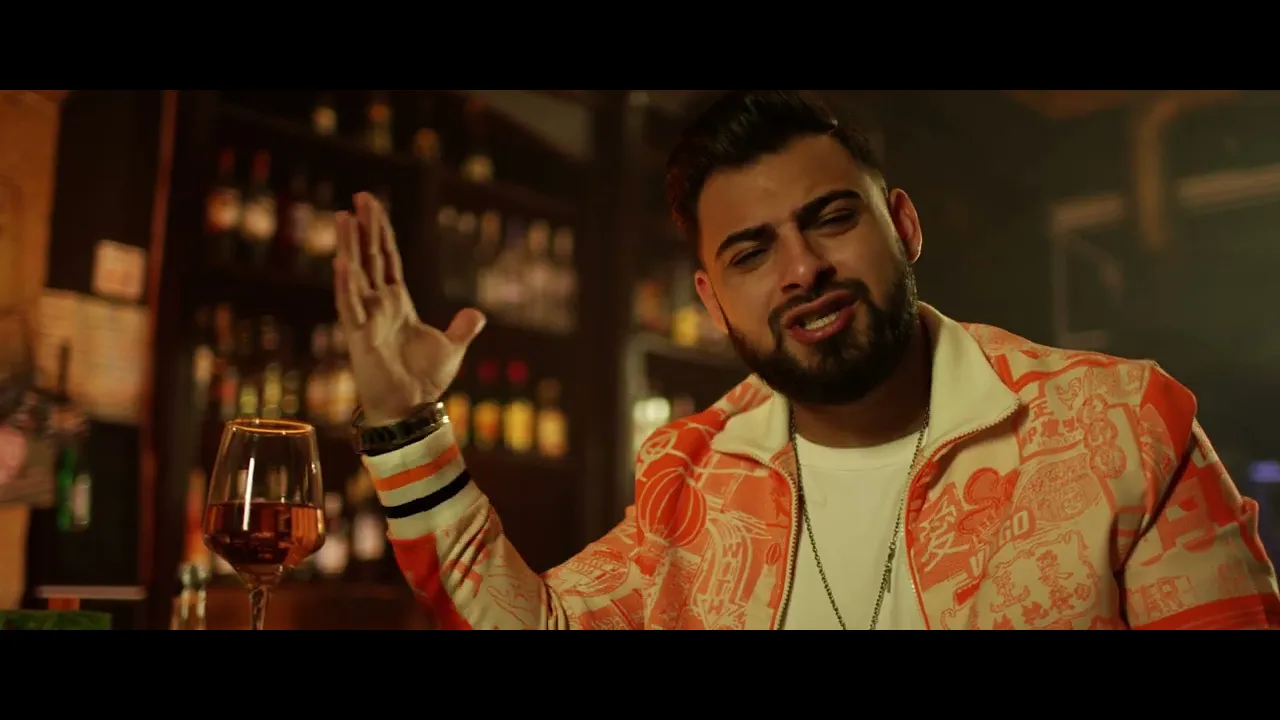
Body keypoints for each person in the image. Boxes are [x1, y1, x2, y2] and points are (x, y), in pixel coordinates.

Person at [333, 90, 1280, 630]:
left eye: (829, 219)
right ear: (712, 302)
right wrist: (407, 425)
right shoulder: (689, 480)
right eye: (751, 253)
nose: (802, 270)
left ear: (902, 226)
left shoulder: (1123, 426)